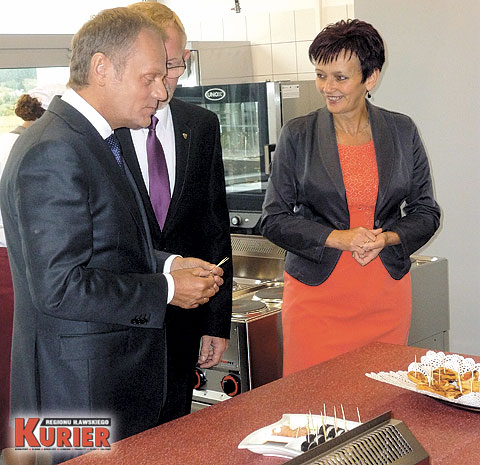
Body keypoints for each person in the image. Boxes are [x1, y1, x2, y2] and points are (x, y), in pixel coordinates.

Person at [0, 7, 223, 464]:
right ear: (102, 67)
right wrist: (167, 288)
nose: (161, 92)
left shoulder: (93, 139)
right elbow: (59, 286)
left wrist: (169, 262)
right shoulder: (55, 150)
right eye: (150, 78)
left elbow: (106, 244)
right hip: (77, 393)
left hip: (101, 384)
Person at [261, 19, 441, 376]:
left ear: (370, 78)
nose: (327, 87)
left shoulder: (402, 130)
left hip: (384, 295)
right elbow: (273, 219)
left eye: (340, 77)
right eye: (321, 75)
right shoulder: (298, 134)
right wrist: (337, 238)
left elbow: (426, 212)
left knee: (381, 398)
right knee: (314, 401)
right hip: (316, 300)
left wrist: (388, 238)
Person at [115, 1, 232, 423]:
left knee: (178, 433)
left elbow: (214, 228)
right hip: (121, 329)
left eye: (175, 65)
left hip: (184, 326)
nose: (166, 84)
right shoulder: (107, 130)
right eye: (157, 68)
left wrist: (216, 320)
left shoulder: (200, 124)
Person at [0, 85, 64, 465]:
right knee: (18, 381)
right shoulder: (37, 149)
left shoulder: (12, 143)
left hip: (11, 263)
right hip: (12, 265)